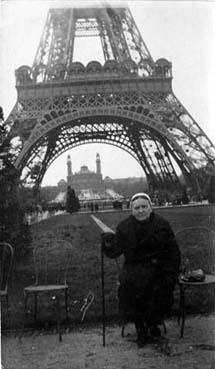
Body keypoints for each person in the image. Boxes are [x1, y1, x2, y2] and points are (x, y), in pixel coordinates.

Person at [102, 192, 181, 346]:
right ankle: (141, 328)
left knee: (160, 286)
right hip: (134, 268)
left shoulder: (162, 224)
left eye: (144, 206)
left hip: (157, 267)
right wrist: (108, 243)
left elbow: (173, 251)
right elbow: (115, 251)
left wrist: (171, 271)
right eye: (137, 207)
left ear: (151, 207)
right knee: (131, 287)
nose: (141, 210)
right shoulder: (124, 227)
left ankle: (152, 323)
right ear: (131, 210)